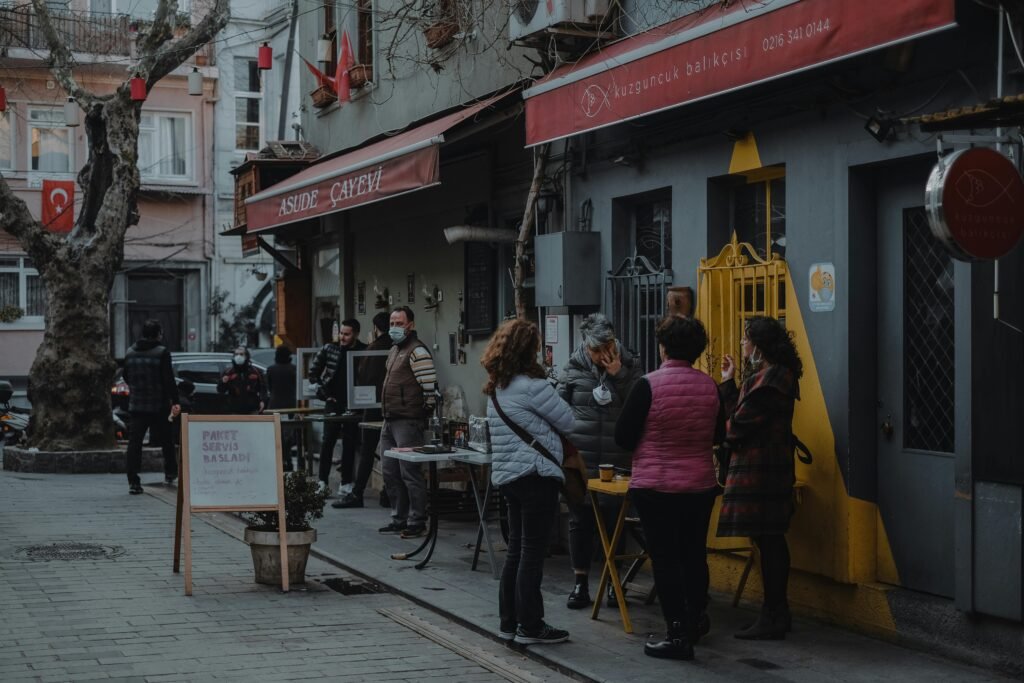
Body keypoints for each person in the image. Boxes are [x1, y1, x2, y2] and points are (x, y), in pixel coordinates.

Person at [615, 316, 725, 660]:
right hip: (700, 484)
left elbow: (623, 437)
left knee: (665, 560)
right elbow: (719, 436)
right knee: (694, 554)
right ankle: (695, 620)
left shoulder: (647, 385)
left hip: (657, 486)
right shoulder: (710, 387)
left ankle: (677, 633)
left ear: (663, 346)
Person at [483, 318, 575, 645]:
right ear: (528, 351)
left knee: (516, 551)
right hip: (536, 476)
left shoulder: (497, 388)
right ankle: (531, 626)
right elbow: (569, 421)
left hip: (509, 477)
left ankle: (509, 622)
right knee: (533, 552)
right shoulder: (533, 387)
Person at [718, 315, 803, 640]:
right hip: (769, 468)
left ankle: (774, 613)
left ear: (759, 345)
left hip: (761, 470)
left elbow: (735, 426)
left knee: (769, 541)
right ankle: (775, 612)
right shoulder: (773, 376)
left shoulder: (770, 381)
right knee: (769, 540)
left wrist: (729, 391)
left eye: (745, 339)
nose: (742, 344)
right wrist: (730, 381)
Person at [556, 313, 641, 609]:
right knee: (580, 520)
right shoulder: (571, 369)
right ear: (585, 346)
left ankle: (613, 584)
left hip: (617, 459)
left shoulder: (630, 366)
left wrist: (620, 376)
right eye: (596, 350)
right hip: (583, 459)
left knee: (614, 522)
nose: (603, 355)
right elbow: (558, 409)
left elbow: (639, 406)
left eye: (608, 347)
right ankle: (580, 583)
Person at [378, 306, 436, 538]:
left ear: (410, 325)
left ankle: (417, 520)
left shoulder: (417, 351)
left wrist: (422, 413)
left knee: (409, 472)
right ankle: (398, 517)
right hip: (389, 419)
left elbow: (430, 388)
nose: (395, 328)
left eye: (399, 324)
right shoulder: (394, 350)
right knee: (390, 471)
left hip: (408, 420)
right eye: (392, 323)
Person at [333, 312, 390, 509]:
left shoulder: (372, 349)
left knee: (367, 451)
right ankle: (388, 493)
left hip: (372, 405)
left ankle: (357, 493)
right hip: (393, 407)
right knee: (390, 451)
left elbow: (362, 378)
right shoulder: (399, 347)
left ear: (375, 328)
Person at [122, 319, 180, 495]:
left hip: (137, 405)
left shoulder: (130, 352)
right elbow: (168, 379)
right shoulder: (162, 352)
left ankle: (133, 481)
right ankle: (170, 472)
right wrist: (175, 400)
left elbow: (126, 376)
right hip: (158, 405)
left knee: (135, 444)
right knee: (166, 441)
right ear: (157, 335)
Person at [310, 319, 367, 495]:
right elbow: (313, 373)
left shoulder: (363, 351)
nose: (342, 337)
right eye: (341, 333)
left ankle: (346, 482)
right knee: (328, 441)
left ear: (355, 334)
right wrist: (323, 393)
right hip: (332, 401)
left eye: (346, 334)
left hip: (353, 403)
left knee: (350, 442)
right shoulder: (329, 349)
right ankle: (322, 482)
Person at [267, 345, 297, 471]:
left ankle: (279, 460)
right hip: (290, 406)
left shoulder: (271, 369)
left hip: (274, 405)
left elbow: (269, 387)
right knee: (288, 435)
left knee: (276, 435)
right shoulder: (293, 369)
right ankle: (288, 459)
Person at [217, 346, 266, 415]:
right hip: (234, 410)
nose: (238, 356)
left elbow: (262, 388)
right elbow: (220, 390)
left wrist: (262, 401)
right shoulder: (228, 372)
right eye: (236, 354)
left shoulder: (255, 371)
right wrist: (223, 382)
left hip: (252, 409)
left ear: (246, 356)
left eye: (241, 354)